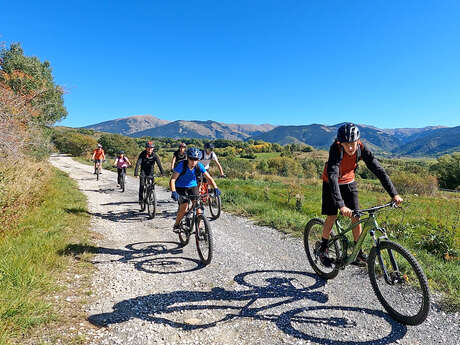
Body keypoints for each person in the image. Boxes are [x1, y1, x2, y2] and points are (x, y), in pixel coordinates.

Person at [320, 123, 403, 267]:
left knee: (356, 215)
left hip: (349, 181)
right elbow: (333, 175)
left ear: (358, 141)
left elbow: (379, 170)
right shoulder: (335, 149)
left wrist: (394, 194)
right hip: (331, 183)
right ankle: (323, 248)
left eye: (352, 143)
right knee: (332, 215)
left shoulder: (361, 148)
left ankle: (357, 253)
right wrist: (341, 205)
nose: (350, 148)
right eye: (346, 144)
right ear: (341, 143)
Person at [170, 147, 221, 232]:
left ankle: (199, 228)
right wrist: (173, 191)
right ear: (187, 158)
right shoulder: (181, 165)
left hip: (193, 186)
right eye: (191, 159)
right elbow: (173, 180)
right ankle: (177, 225)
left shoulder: (199, 165)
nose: (193, 161)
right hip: (180, 187)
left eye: (196, 159)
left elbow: (209, 178)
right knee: (184, 207)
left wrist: (215, 187)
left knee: (198, 208)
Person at [134, 141, 165, 211]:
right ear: (146, 148)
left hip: (151, 171)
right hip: (143, 171)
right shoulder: (142, 154)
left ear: (153, 149)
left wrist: (162, 173)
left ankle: (151, 195)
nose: (150, 149)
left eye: (151, 148)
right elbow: (138, 163)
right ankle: (141, 199)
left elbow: (159, 164)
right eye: (148, 148)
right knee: (142, 185)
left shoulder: (155, 155)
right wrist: (136, 173)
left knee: (152, 185)